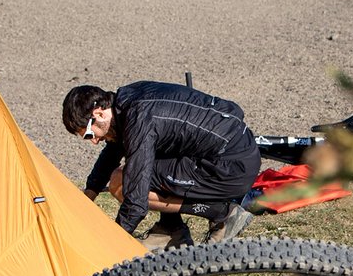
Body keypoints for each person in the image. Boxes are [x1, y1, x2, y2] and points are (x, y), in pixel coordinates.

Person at [63, 81, 259, 248]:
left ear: (99, 113)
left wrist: (115, 245)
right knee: (141, 166)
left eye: (89, 134)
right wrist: (90, 192)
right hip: (233, 147)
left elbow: (136, 200)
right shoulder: (126, 101)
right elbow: (114, 149)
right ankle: (171, 228)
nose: (94, 141)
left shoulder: (139, 119)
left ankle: (223, 213)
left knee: (120, 182)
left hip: (229, 167)